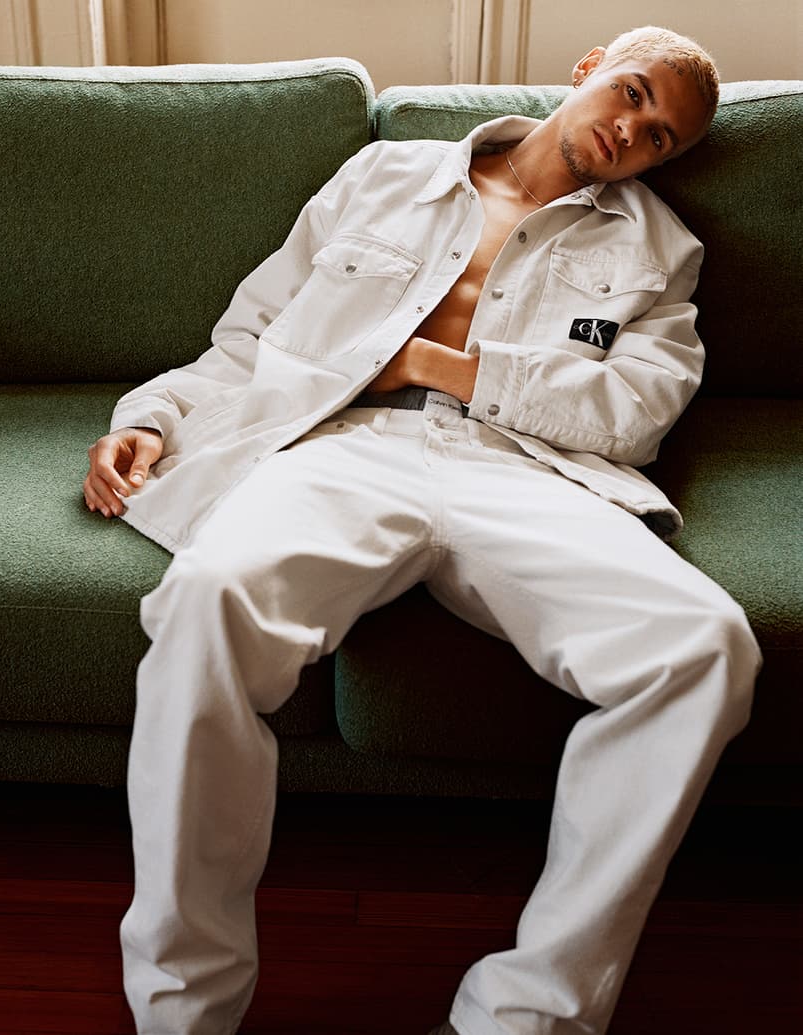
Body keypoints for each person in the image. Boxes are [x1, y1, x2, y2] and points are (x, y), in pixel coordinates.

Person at [83, 25, 761, 1035]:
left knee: (706, 648)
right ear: (589, 69)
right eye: (631, 94)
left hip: (525, 471)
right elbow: (252, 334)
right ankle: (184, 1012)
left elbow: (635, 414)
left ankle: (525, 1017)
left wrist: (436, 365)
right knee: (206, 600)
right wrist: (152, 419)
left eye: (660, 135)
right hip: (342, 446)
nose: (632, 130)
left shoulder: (661, 250)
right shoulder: (384, 174)